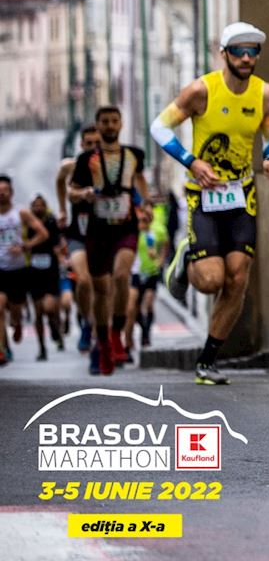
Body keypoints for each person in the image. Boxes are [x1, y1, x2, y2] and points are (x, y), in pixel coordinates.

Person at [153, 22, 269, 385]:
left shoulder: (265, 95)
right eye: (238, 51)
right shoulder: (201, 91)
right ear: (223, 53)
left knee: (238, 277)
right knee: (211, 281)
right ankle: (185, 258)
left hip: (242, 196)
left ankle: (208, 360)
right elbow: (159, 127)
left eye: (252, 51)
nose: (246, 57)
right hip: (202, 196)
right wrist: (191, 162)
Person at [69, 106, 148, 376]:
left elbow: (139, 180)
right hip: (97, 230)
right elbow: (71, 191)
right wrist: (85, 194)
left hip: (126, 226)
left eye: (114, 121)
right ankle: (102, 343)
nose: (110, 126)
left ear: (121, 124)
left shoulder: (134, 155)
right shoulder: (85, 159)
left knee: (121, 276)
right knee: (101, 290)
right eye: (105, 122)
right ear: (98, 124)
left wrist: (146, 203)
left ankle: (116, 334)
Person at [56, 125, 101, 350]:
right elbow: (59, 181)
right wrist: (63, 209)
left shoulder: (108, 166)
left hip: (102, 232)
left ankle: (99, 332)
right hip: (77, 233)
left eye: (97, 143)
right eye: (89, 144)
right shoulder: (71, 166)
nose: (93, 148)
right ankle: (86, 322)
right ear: (81, 145)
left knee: (100, 285)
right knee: (83, 280)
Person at [0, 176, 49, 366]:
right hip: (0, 268)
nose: (2, 193)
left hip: (18, 269)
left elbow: (43, 233)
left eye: (5, 189)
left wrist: (26, 245)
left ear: (11, 193)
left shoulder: (20, 214)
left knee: (15, 310)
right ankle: (2, 350)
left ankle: (18, 322)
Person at [26, 194, 64, 359]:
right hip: (33, 271)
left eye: (41, 205)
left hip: (50, 270)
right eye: (35, 205)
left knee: (49, 308)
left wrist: (60, 253)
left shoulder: (51, 221)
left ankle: (56, 330)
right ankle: (42, 348)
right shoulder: (26, 223)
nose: (38, 208)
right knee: (38, 312)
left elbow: (58, 242)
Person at [127, 207, 165, 351]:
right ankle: (140, 331)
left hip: (151, 272)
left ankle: (146, 334)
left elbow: (164, 246)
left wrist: (159, 261)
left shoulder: (156, 233)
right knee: (133, 308)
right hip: (135, 273)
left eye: (145, 221)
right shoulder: (133, 235)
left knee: (148, 303)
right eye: (140, 221)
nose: (143, 224)